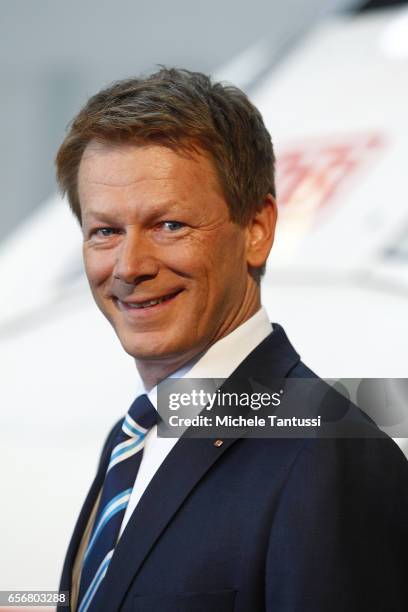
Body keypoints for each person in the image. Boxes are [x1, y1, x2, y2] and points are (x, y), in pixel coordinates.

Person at [56, 68, 408, 612]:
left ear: (258, 228)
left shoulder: (325, 456)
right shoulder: (130, 442)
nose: (129, 267)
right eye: (106, 231)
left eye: (169, 225)